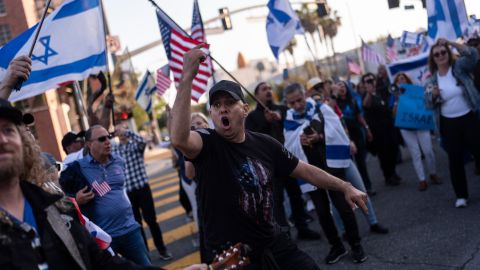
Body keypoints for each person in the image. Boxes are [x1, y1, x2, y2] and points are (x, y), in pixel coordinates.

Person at [170, 47, 367, 269]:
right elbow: (179, 139)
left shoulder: (264, 144)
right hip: (231, 256)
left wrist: (345, 186)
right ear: (212, 113)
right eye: (216, 105)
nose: (222, 109)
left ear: (244, 109)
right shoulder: (206, 141)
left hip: (272, 242)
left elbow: (305, 170)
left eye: (229, 103)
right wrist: (187, 78)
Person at [0, 98, 161, 270]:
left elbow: (102, 263)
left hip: (129, 229)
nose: (3, 140)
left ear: (24, 143)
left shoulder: (57, 209)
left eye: (8, 130)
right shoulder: (76, 165)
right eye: (101, 139)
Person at [283, 83, 368, 264]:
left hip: (331, 166)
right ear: (287, 103)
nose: (297, 105)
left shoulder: (321, 108)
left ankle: (356, 244)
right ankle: (336, 245)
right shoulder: (289, 120)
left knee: (344, 206)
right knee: (321, 211)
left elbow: (336, 130)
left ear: (304, 95)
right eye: (292, 103)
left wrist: (319, 137)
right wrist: (301, 140)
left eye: (299, 100)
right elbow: (289, 146)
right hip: (309, 171)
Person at [59, 125, 152, 266]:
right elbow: (60, 197)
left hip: (130, 230)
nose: (107, 141)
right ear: (89, 144)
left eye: (108, 137)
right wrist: (76, 199)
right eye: (102, 139)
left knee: (146, 267)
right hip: (104, 238)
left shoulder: (118, 161)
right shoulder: (77, 168)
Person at [245, 81, 321, 240]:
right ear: (257, 94)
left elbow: (294, 126)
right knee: (277, 201)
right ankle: (284, 234)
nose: (268, 91)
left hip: (287, 159)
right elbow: (251, 139)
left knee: (296, 195)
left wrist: (279, 119)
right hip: (269, 166)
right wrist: (265, 122)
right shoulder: (252, 117)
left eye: (270, 88)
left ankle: (303, 227)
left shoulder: (283, 109)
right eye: (264, 89)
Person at [424, 38, 480, 208]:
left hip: (468, 117)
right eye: (436, 54)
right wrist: (433, 95)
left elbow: (472, 54)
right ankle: (461, 196)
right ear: (433, 59)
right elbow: (427, 103)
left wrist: (449, 42)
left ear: (448, 53)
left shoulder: (459, 68)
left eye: (443, 52)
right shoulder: (431, 81)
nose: (440, 55)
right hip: (449, 124)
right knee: (455, 160)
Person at [112, 123, 172, 260]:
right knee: (136, 225)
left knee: (151, 220)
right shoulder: (115, 150)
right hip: (127, 193)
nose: (121, 133)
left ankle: (162, 249)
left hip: (142, 189)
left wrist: (127, 132)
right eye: (120, 131)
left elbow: (142, 141)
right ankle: (145, 254)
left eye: (124, 130)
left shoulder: (135, 145)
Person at [392, 73, 441, 191]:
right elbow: (394, 114)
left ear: (407, 79)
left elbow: (427, 101)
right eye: (398, 80)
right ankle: (422, 179)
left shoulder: (417, 89)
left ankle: (433, 173)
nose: (401, 81)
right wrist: (398, 100)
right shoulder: (395, 94)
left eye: (403, 78)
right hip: (406, 127)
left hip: (421, 124)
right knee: (415, 154)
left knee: (428, 151)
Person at [333, 80, 375, 195]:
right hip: (343, 137)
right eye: (339, 86)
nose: (342, 88)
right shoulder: (334, 103)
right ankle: (354, 191)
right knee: (349, 165)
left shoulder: (352, 100)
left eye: (343, 85)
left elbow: (359, 116)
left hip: (357, 134)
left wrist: (367, 129)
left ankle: (367, 187)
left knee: (361, 162)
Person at [362, 72, 402, 186]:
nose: (370, 82)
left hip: (389, 126)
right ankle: (388, 176)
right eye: (367, 81)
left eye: (372, 79)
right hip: (378, 131)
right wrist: (369, 92)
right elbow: (366, 105)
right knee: (383, 154)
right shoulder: (365, 95)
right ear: (364, 84)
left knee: (393, 149)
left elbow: (391, 100)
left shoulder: (381, 92)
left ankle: (393, 172)